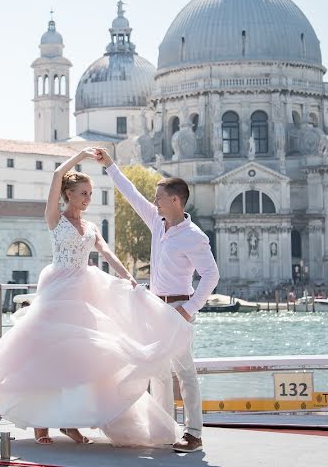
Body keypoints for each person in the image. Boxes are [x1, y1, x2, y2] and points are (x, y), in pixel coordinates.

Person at [0, 148, 194, 447]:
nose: (88, 198)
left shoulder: (92, 226)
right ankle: (41, 425)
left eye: (90, 193)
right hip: (57, 291)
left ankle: (70, 422)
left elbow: (106, 253)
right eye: (83, 193)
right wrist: (80, 156)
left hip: (85, 291)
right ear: (68, 193)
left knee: (81, 359)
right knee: (49, 357)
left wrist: (128, 277)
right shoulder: (55, 218)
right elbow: (56, 174)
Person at [98, 147, 219, 453]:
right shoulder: (157, 221)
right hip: (154, 305)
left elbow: (211, 275)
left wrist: (189, 309)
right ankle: (166, 429)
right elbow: (131, 192)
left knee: (185, 371)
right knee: (158, 371)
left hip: (178, 307)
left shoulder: (193, 235)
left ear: (175, 200)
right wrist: (110, 165)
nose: (154, 201)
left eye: (160, 197)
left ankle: (194, 433)